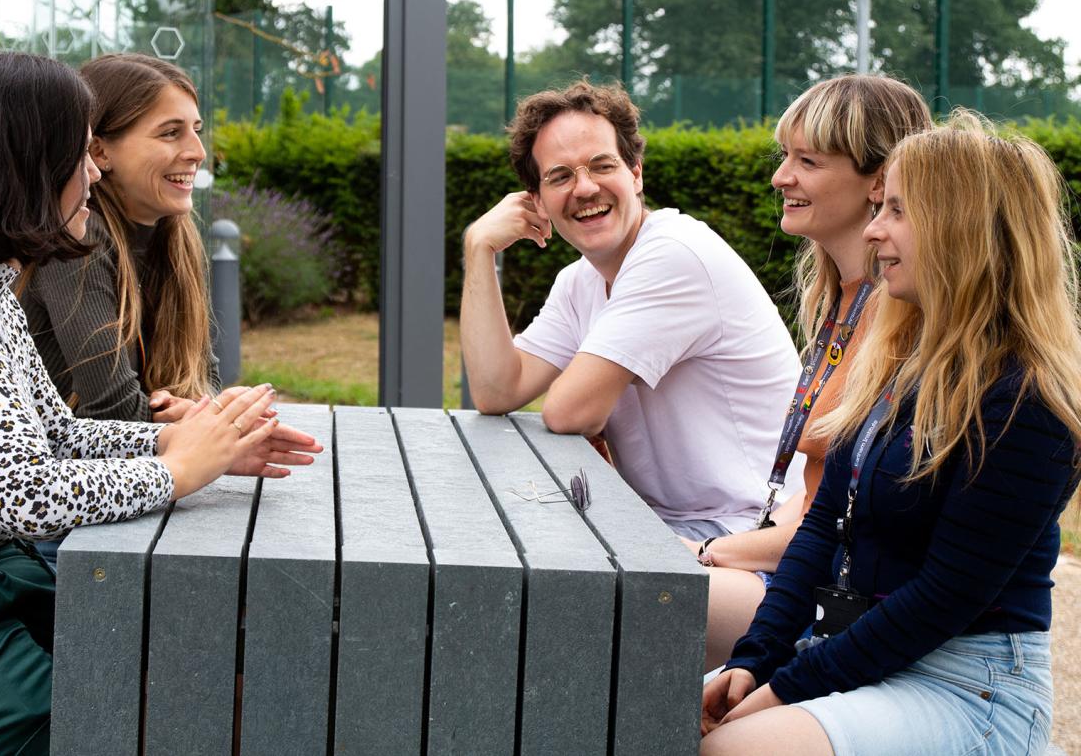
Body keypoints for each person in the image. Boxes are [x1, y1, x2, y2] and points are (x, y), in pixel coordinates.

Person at [0, 47, 321, 755]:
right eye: (81, 153)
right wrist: (178, 469)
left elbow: (56, 434)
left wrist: (193, 442)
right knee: (133, 715)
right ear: (19, 171)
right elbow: (25, 492)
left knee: (181, 684)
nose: (96, 170)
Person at [701, 110, 1081, 756]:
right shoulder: (898, 360)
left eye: (897, 210)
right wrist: (755, 658)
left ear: (961, 230)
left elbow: (942, 600)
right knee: (640, 707)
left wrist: (781, 690)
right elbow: (821, 527)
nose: (874, 228)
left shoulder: (1028, 398)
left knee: (734, 747)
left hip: (968, 686)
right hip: (854, 649)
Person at [461, 80, 802, 540]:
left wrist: (583, 402)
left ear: (636, 174)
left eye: (602, 165)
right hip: (671, 527)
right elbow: (496, 391)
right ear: (536, 200)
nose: (585, 188)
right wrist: (478, 247)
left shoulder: (675, 253)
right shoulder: (579, 281)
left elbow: (570, 412)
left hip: (750, 534)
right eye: (560, 176)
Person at [689, 76, 932, 668]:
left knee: (626, 603)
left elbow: (852, 524)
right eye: (784, 157)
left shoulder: (902, 315)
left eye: (808, 161)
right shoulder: (839, 300)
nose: (781, 177)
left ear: (879, 181)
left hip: (826, 594)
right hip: (797, 564)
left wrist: (720, 549)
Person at [19, 53, 217, 424]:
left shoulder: (176, 235)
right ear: (99, 151)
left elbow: (204, 379)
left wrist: (211, 410)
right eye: (171, 132)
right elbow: (111, 412)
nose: (197, 152)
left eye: (196, 129)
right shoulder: (77, 240)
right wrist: (203, 422)